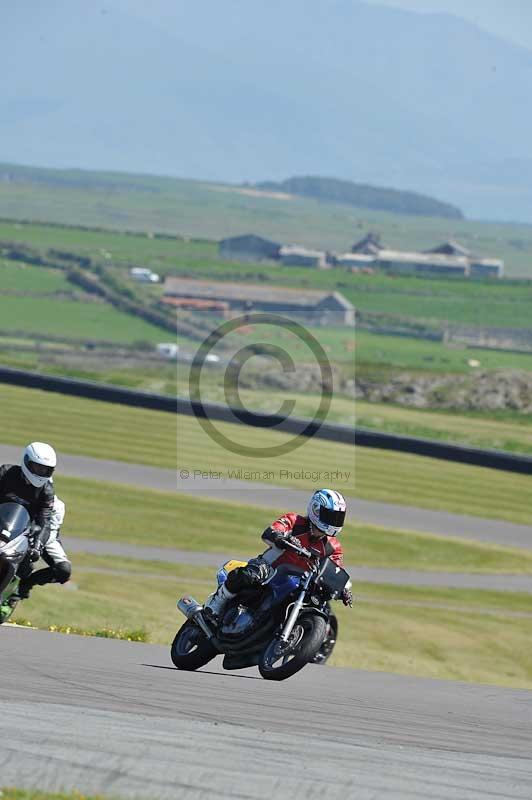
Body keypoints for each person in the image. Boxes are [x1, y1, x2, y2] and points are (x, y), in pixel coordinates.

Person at [204, 488, 353, 619]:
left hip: (300, 583)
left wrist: (344, 589)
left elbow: (336, 569)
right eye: (330, 516)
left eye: (338, 518)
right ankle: (217, 602)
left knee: (322, 604)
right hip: (271, 569)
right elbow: (270, 532)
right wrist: (282, 537)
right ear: (316, 509)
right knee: (250, 574)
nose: (334, 522)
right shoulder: (294, 521)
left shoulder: (333, 546)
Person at [0, 442, 56, 563]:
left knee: (27, 567)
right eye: (38, 467)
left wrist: (38, 545)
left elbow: (45, 521)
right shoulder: (6, 473)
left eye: (46, 470)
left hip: (20, 536)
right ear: (26, 461)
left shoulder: (46, 491)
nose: (41, 472)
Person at [17, 494, 71, 599]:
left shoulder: (58, 506)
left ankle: (24, 585)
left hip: (42, 537)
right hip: (15, 531)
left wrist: (37, 543)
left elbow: (52, 533)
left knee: (64, 570)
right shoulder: (17, 489)